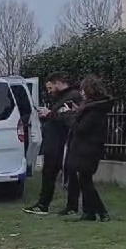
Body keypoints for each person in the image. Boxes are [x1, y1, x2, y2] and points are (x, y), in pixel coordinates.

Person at [24, 73, 83, 215]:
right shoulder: (61, 98)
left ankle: (66, 206)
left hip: (61, 143)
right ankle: (47, 204)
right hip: (55, 141)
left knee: (63, 175)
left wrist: (49, 114)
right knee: (50, 173)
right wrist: (47, 116)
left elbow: (68, 118)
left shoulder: (71, 97)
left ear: (58, 83)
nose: (49, 91)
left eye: (50, 88)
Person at [64, 75, 114, 222]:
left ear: (89, 91)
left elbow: (81, 128)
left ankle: (102, 212)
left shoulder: (95, 111)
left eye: (83, 90)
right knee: (84, 180)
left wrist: (71, 116)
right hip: (86, 148)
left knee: (86, 182)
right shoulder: (92, 108)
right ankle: (89, 212)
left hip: (88, 149)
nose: (81, 93)